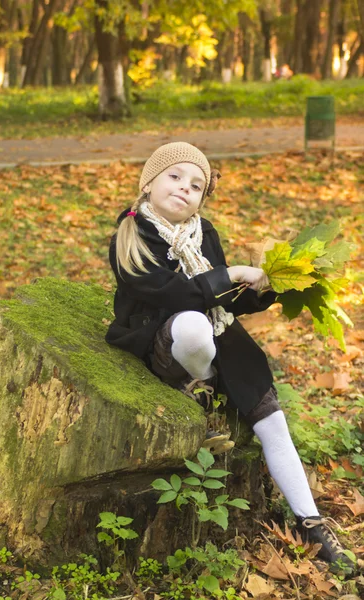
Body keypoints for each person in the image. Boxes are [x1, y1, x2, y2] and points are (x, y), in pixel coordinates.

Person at [105, 142, 354, 574]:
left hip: (221, 337)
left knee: (271, 418)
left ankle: (310, 519)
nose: (185, 188)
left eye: (196, 185)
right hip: (166, 344)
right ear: (148, 183)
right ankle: (200, 388)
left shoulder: (205, 235)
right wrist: (230, 274)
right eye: (174, 177)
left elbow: (227, 302)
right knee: (193, 325)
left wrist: (265, 288)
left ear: (203, 199)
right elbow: (175, 293)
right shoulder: (131, 237)